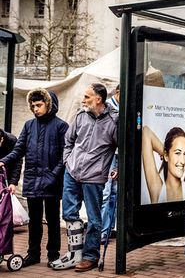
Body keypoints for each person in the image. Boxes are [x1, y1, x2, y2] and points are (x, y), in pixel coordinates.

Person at [51, 83, 118, 272]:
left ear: (99, 99)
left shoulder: (114, 121)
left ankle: (90, 256)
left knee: (95, 219)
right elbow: (69, 140)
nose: (83, 100)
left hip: (94, 176)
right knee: (69, 214)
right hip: (72, 172)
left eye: (87, 97)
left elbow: (123, 147)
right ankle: (75, 254)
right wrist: (67, 161)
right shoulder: (81, 115)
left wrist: (118, 167)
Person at [0, 89, 68, 267]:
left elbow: (65, 156)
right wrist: (3, 161)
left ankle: (53, 254)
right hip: (32, 180)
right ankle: (33, 254)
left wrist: (54, 175)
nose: (35, 108)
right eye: (33, 105)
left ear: (49, 104)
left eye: (39, 105)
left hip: (52, 182)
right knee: (34, 221)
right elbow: (18, 149)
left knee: (53, 220)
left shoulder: (61, 126)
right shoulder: (29, 125)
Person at [141, 126, 185, 203]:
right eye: (177, 153)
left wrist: (168, 155)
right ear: (166, 155)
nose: (182, 161)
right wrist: (166, 155)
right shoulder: (157, 190)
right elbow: (146, 133)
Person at [101, 84, 120, 244]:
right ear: (118, 93)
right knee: (106, 192)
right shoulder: (108, 107)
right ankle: (102, 231)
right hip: (109, 154)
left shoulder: (122, 106)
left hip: (120, 154)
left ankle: (109, 229)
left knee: (115, 193)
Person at [0, 130, 19, 195]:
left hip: (6, 174)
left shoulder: (11, 140)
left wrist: (13, 182)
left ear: (2, 139)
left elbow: (17, 162)